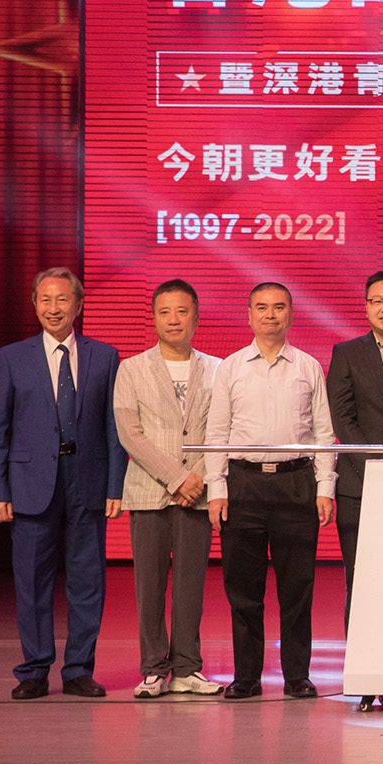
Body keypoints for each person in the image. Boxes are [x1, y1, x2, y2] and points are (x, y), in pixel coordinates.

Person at [0, 268, 125, 700]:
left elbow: (114, 427)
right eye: (45, 300)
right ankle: (34, 670)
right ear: (34, 305)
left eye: (62, 299)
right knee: (31, 582)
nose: (53, 308)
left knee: (87, 581)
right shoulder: (12, 357)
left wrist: (116, 485)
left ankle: (79, 669)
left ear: (78, 305)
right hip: (30, 483)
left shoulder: (105, 356)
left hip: (87, 479)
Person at [204, 282, 337, 701]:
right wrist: (216, 488)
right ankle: (246, 676)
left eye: (279, 307)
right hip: (242, 484)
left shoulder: (308, 366)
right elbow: (216, 432)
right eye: (261, 307)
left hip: (295, 483)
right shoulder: (230, 368)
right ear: (249, 315)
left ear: (290, 314)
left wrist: (325, 486)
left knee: (297, 587)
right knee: (243, 589)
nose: (270, 314)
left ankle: (297, 675)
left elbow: (323, 432)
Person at [113, 278, 223, 698]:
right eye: (164, 312)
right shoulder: (132, 368)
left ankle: (187, 669)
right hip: (149, 491)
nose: (173, 319)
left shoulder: (218, 369)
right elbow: (130, 432)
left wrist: (197, 478)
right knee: (150, 585)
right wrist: (177, 478)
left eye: (181, 311)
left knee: (191, 586)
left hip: (199, 492)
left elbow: (222, 429)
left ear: (196, 316)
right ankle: (154, 669)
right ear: (155, 318)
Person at [326, 270, 383, 634]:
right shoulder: (346, 353)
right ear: (366, 307)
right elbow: (342, 417)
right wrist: (376, 465)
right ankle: (361, 661)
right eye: (378, 301)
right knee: (361, 577)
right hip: (358, 484)